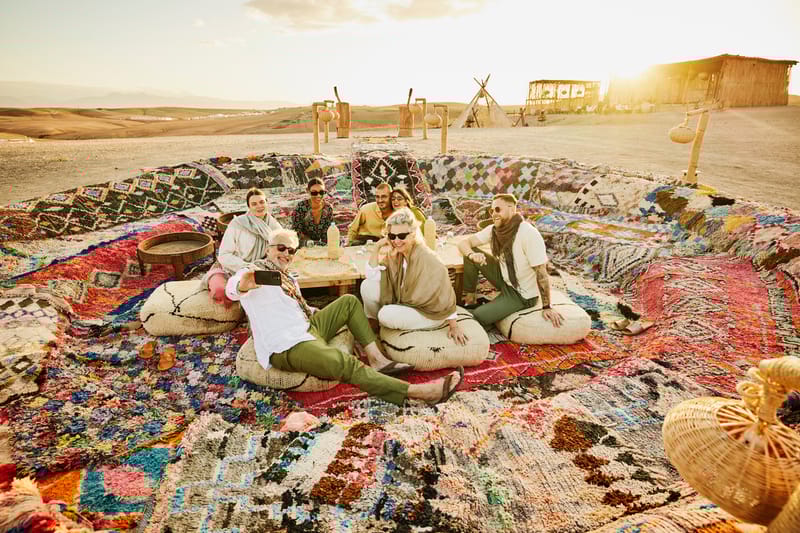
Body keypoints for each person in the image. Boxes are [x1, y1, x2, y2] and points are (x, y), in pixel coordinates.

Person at [226, 229, 464, 406]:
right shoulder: (253, 272)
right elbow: (234, 288)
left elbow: (293, 306)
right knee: (344, 362)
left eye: (290, 250)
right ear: (268, 248)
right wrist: (245, 283)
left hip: (308, 326)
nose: (286, 254)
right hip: (286, 345)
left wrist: (313, 312)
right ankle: (419, 392)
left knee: (348, 302)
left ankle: (376, 358)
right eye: (280, 248)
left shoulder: (287, 276)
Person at [360, 208, 468, 345]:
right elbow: (372, 276)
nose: (396, 241)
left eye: (402, 236)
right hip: (405, 302)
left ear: (412, 234)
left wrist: (454, 325)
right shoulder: (396, 254)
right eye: (392, 236)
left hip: (428, 312)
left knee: (385, 314)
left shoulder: (427, 258)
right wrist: (377, 248)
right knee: (367, 286)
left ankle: (383, 322)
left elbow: (445, 293)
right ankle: (375, 325)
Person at [456, 193, 564, 329]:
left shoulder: (528, 233)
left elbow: (541, 272)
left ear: (511, 209)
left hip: (521, 293)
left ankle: (485, 309)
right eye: (491, 210)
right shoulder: (495, 230)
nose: (493, 214)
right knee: (470, 254)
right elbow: (464, 243)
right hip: (504, 278)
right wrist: (472, 255)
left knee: (479, 316)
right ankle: (470, 298)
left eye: (497, 209)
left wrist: (547, 306)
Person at [202, 187, 282, 306]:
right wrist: (245, 266)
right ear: (249, 207)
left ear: (267, 203)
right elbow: (224, 255)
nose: (259, 206)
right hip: (233, 267)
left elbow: (281, 246)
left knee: (274, 291)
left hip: (260, 267)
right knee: (220, 292)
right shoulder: (238, 224)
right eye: (254, 204)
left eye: (262, 202)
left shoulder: (272, 224)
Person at [291, 178, 334, 247]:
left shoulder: (328, 208)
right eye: (314, 193)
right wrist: (310, 243)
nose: (318, 196)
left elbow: (327, 232)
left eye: (321, 192)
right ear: (308, 191)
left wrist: (324, 247)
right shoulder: (301, 207)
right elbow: (296, 231)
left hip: (320, 245)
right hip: (303, 243)